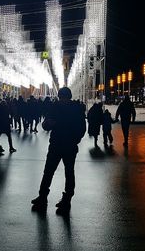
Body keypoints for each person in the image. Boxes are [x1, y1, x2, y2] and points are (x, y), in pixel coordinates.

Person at [31, 87, 86, 215]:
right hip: (65, 145)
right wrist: (75, 140)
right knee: (68, 172)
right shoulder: (75, 108)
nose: (63, 100)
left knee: (49, 171)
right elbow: (82, 128)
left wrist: (49, 124)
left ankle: (43, 197)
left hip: (57, 144)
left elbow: (45, 125)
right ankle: (66, 199)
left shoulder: (58, 107)